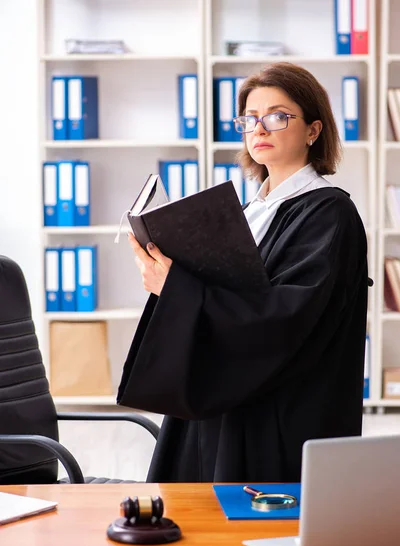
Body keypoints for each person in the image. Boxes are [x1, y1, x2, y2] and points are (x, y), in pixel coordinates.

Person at [117, 62, 369, 483]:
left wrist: (177, 288)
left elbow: (286, 318)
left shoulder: (330, 213)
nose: (260, 129)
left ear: (313, 130)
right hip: (227, 395)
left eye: (277, 116)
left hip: (276, 410)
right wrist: (169, 276)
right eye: (250, 119)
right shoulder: (253, 209)